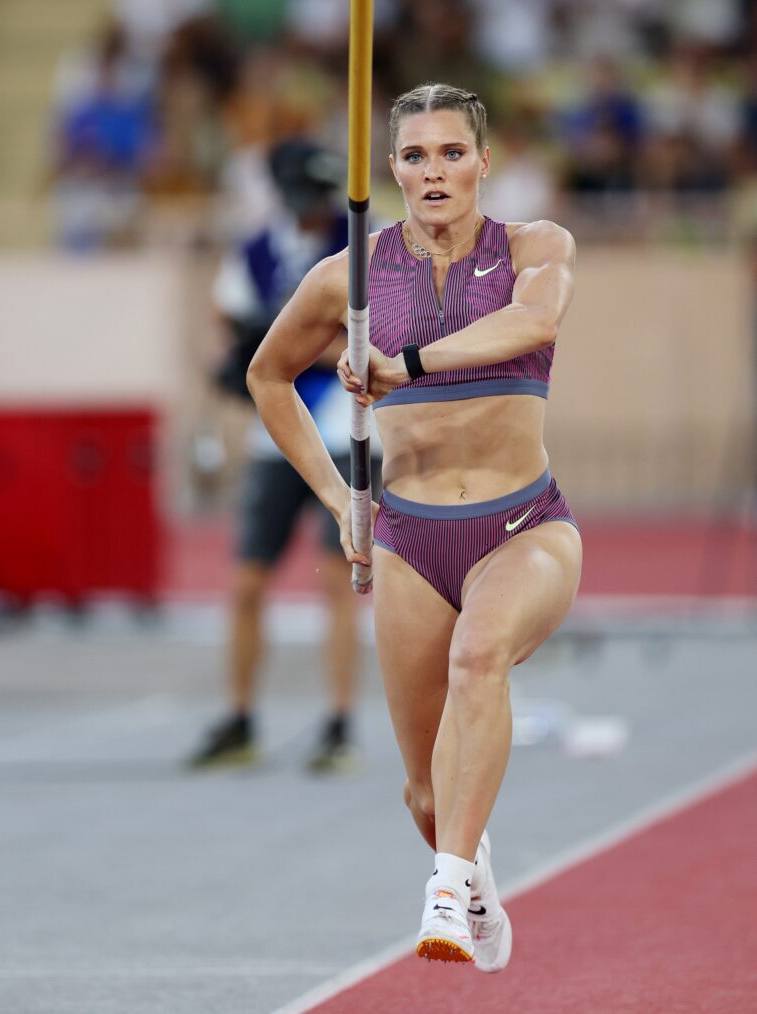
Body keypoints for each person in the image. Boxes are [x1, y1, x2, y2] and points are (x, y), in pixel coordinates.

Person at [245, 84, 582, 969]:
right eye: (414, 156)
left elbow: (532, 321)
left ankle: (442, 891)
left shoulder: (533, 248)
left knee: (480, 658)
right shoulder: (346, 278)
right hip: (407, 538)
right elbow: (266, 377)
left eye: (450, 153)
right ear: (390, 168)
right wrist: (333, 497)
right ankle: (468, 868)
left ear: (482, 160)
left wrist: (409, 363)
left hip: (523, 526)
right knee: (424, 794)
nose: (433, 171)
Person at [188, 138, 381, 774]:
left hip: (348, 429)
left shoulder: (365, 244)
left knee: (339, 580)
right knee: (246, 580)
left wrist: (288, 345)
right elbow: (228, 323)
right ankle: (241, 717)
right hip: (280, 437)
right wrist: (245, 354)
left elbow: (372, 340)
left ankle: (339, 723)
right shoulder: (258, 249)